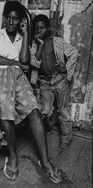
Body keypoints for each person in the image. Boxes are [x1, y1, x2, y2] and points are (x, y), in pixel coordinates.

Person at [0, 1, 62, 183]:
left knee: (34, 109)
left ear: (20, 21)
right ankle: (12, 156)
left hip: (17, 75)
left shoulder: (20, 37)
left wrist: (26, 34)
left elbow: (26, 59)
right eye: (8, 18)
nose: (11, 22)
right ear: (4, 19)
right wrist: (18, 64)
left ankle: (45, 160)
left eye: (15, 19)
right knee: (6, 109)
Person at [30, 14, 78, 152]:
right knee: (45, 110)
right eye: (36, 29)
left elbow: (73, 52)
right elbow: (35, 63)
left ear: (48, 28)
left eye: (42, 28)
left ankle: (65, 139)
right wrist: (39, 45)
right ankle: (47, 128)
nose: (39, 31)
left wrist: (66, 68)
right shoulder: (33, 46)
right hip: (44, 83)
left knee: (63, 111)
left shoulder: (56, 41)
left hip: (59, 80)